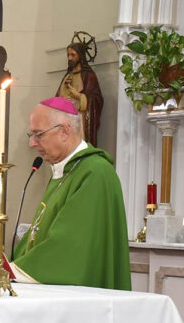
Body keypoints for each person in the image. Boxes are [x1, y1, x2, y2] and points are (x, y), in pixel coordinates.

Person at [10, 97, 130, 290]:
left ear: (64, 131)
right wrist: (6, 265)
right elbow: (37, 233)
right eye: (30, 135)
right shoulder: (64, 172)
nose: (32, 143)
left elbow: (70, 245)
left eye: (38, 134)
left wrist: (14, 271)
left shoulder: (95, 172)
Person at [56, 31, 104, 147]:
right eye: (68, 55)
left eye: (73, 55)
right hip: (64, 121)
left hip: (79, 121)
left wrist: (78, 96)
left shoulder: (88, 76)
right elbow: (57, 99)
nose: (70, 58)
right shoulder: (67, 76)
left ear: (80, 56)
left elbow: (97, 99)